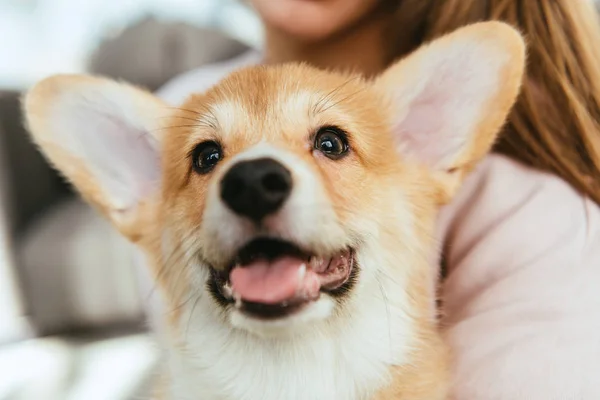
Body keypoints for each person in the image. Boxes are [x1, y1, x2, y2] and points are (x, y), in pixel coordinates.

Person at [157, 1, 600, 398]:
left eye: (331, 145)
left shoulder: (544, 220)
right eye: (209, 157)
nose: (247, 179)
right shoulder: (176, 108)